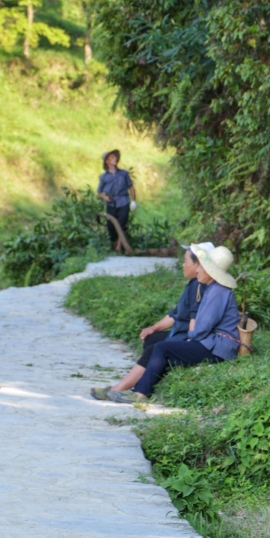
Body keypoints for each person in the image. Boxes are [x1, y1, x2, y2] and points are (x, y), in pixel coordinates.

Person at [108, 244, 239, 404]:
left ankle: (141, 395)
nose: (197, 270)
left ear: (210, 271)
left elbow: (203, 326)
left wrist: (190, 339)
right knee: (162, 348)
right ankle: (138, 390)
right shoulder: (213, 288)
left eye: (201, 267)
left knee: (162, 348)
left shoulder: (218, 291)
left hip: (218, 348)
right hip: (212, 343)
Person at [90, 244, 214, 400]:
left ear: (198, 264)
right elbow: (175, 315)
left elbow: (194, 319)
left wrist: (190, 342)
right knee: (151, 339)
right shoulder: (192, 284)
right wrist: (153, 328)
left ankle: (120, 389)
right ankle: (144, 379)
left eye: (185, 261)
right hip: (180, 332)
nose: (183, 265)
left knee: (154, 349)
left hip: (187, 335)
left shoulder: (198, 286)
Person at [97, 150, 136, 251]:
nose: (114, 159)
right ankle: (115, 244)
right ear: (107, 161)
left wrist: (133, 201)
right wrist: (106, 198)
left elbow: (131, 187)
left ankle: (119, 247)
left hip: (124, 201)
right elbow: (99, 192)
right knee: (111, 227)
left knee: (122, 224)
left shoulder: (124, 174)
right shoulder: (104, 177)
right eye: (111, 158)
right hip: (111, 204)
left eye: (115, 157)